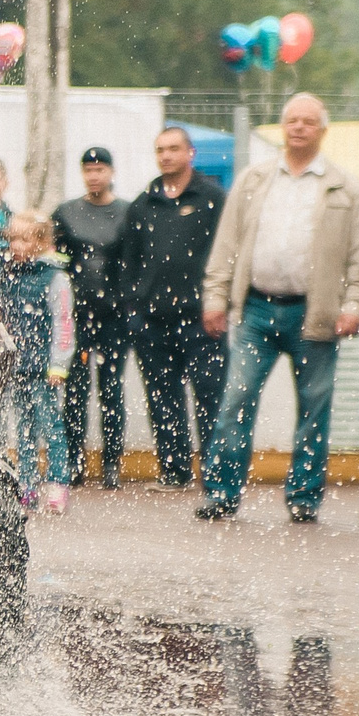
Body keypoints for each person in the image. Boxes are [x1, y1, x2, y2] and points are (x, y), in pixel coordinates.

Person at [194, 94, 359, 523]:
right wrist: (216, 298)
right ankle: (221, 493)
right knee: (236, 400)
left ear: (323, 130)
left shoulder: (346, 189)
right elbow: (227, 246)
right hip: (256, 311)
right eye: (292, 120)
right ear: (282, 126)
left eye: (308, 121)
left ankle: (304, 498)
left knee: (314, 408)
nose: (298, 127)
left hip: (316, 316)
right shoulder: (253, 180)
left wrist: (355, 305)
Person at [122, 125, 227, 489]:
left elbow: (227, 253)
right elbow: (129, 261)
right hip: (152, 321)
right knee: (162, 399)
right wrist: (134, 310)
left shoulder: (213, 198)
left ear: (190, 153)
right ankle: (174, 472)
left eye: (173, 148)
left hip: (203, 319)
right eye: (160, 150)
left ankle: (216, 476)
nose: (166, 156)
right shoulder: (143, 204)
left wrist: (220, 303)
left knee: (211, 397)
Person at [53, 145, 132, 489]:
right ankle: (75, 460)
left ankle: (112, 461)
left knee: (111, 390)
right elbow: (57, 261)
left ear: (111, 172)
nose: (94, 175)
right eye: (88, 170)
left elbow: (135, 263)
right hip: (78, 316)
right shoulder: (66, 213)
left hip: (115, 317)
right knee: (75, 392)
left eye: (100, 169)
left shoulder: (127, 213)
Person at [0, 212, 75, 514]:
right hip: (17, 367)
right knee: (24, 431)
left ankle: (57, 485)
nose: (16, 245)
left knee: (51, 428)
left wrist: (58, 364)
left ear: (41, 243)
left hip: (43, 369)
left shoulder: (54, 278)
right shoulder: (8, 275)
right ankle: (27, 485)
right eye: (13, 238)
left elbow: (63, 323)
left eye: (24, 239)